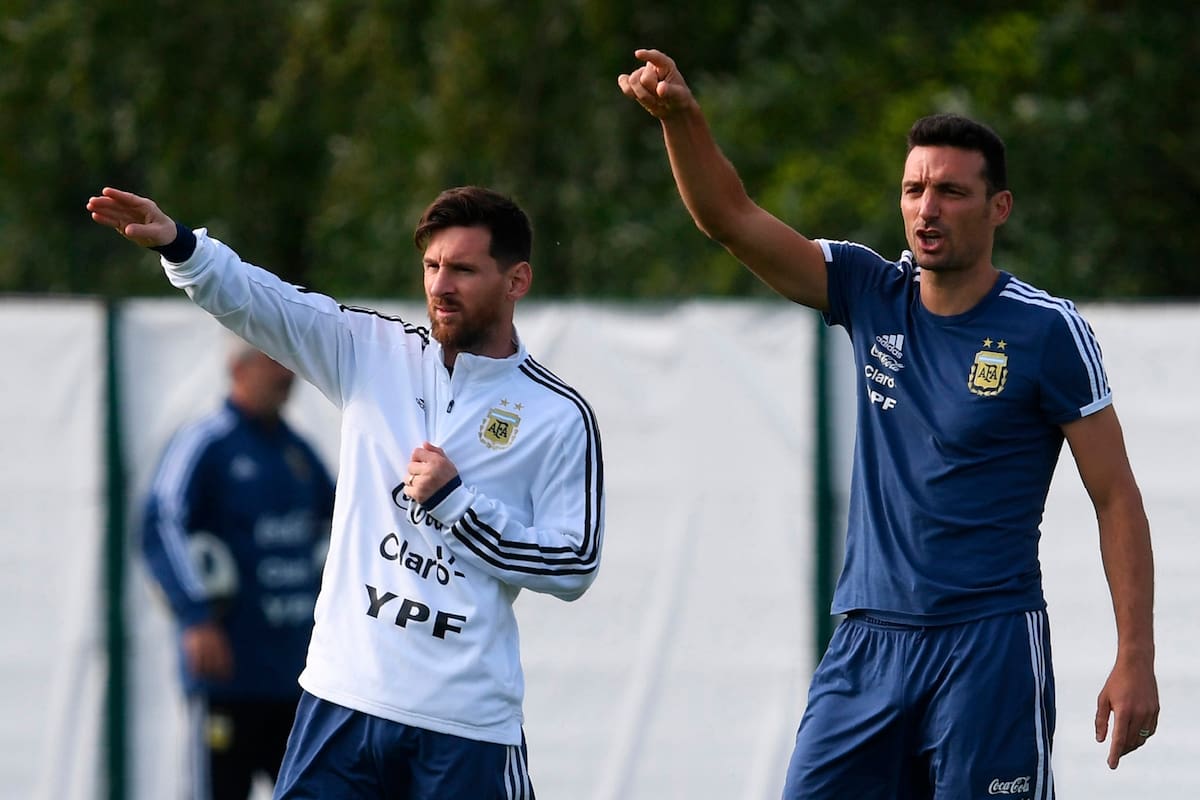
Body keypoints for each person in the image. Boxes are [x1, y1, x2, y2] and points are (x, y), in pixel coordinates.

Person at [619, 49, 1158, 797]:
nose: (926, 208)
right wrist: (682, 119)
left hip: (988, 645)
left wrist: (1135, 656)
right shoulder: (870, 291)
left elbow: (1116, 498)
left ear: (998, 207)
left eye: (950, 191)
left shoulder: (1047, 331)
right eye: (913, 189)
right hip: (866, 643)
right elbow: (731, 221)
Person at [89, 184, 605, 799]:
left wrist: (457, 508)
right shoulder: (374, 352)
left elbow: (573, 563)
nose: (441, 285)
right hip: (343, 701)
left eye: (463, 269)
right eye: (432, 266)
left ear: (516, 280)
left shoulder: (557, 414)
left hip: (464, 725)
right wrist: (180, 246)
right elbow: (263, 303)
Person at [140, 340, 336, 800]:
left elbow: (346, 523)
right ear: (238, 368)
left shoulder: (298, 452)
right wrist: (196, 616)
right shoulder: (207, 443)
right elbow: (160, 526)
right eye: (274, 361)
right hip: (229, 672)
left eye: (290, 363)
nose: (287, 374)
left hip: (299, 676)